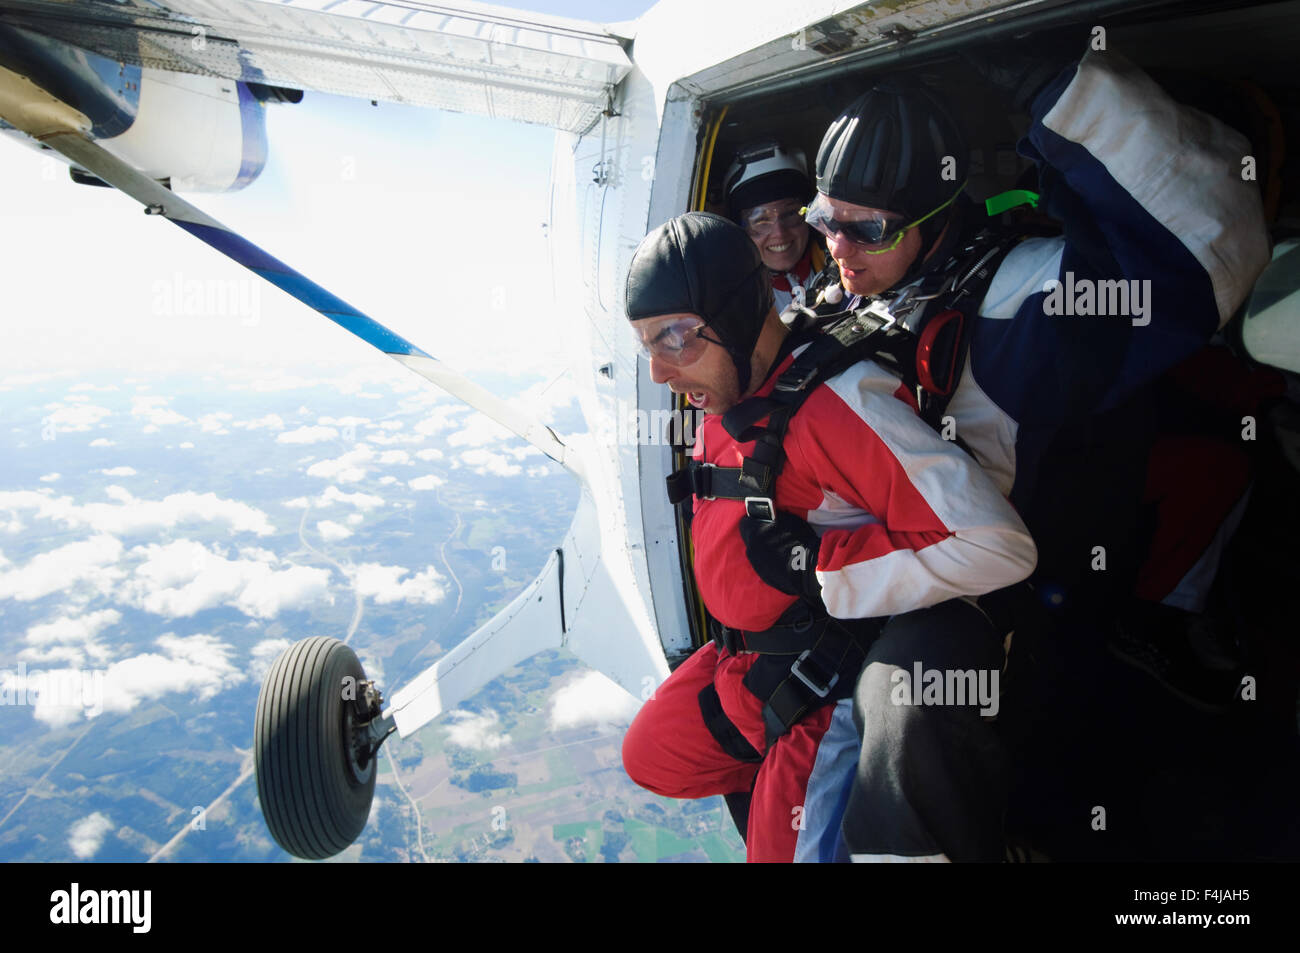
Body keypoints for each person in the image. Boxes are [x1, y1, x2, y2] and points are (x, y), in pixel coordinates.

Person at [802, 49, 1271, 859]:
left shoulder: (1018, 299)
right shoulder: (847, 293)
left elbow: (1205, 254)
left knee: (905, 716)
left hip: (1000, 599)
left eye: (867, 228)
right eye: (824, 220)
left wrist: (1069, 100)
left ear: (938, 215)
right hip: (877, 572)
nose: (839, 249)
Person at [618, 211, 1038, 862]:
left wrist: (823, 565)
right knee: (650, 756)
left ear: (733, 316)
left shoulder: (833, 406)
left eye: (675, 338)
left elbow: (996, 543)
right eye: (647, 344)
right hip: (746, 663)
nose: (659, 373)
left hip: (813, 685)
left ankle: (832, 806)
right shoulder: (732, 388)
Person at [722, 140, 839, 318]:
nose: (779, 233)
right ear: (740, 231)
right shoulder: (734, 303)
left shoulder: (842, 265)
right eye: (761, 220)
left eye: (791, 214)